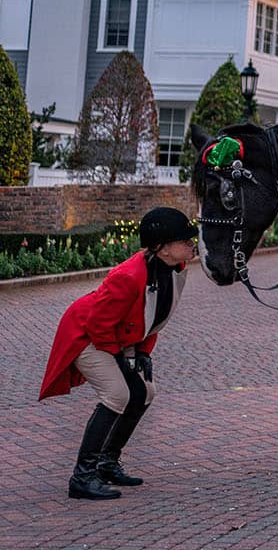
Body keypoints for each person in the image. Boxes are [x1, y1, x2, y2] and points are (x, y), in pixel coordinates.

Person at [39, 207, 195, 500]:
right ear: (161, 247)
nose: (192, 243)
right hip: (86, 334)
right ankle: (82, 478)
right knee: (117, 394)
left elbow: (154, 317)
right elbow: (98, 324)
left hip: (116, 335)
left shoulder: (175, 269)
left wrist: (142, 354)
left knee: (146, 392)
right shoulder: (128, 276)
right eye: (184, 240)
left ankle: (107, 463)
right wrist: (122, 362)